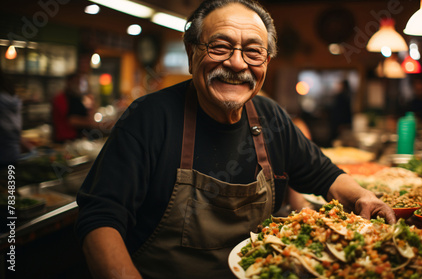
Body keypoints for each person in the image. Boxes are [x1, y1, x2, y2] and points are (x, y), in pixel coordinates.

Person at [75, 0, 396, 278]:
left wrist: (362, 197)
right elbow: (100, 220)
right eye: (220, 47)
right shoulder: (149, 118)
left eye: (253, 52)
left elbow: (324, 175)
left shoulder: (272, 118)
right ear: (191, 53)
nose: (237, 63)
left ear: (266, 62)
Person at [51, 73, 97, 143]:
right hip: (66, 139)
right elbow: (71, 120)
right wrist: (91, 124)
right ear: (68, 83)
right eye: (76, 82)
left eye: (79, 82)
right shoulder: (61, 98)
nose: (78, 85)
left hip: (75, 139)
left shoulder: (75, 97)